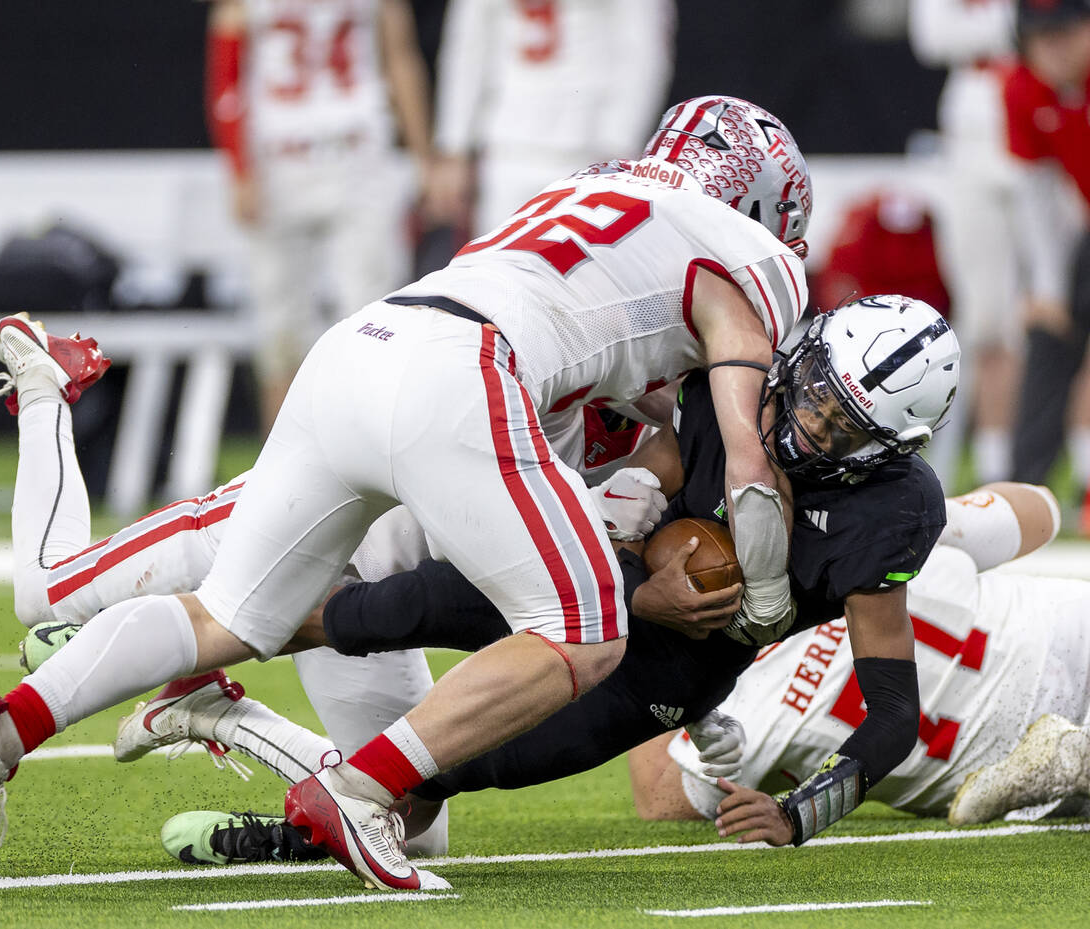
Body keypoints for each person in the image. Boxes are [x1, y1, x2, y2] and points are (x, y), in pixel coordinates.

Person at [0, 95, 812, 887]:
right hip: (448, 393)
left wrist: (632, 511)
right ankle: (344, 790)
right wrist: (761, 603)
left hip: (367, 359)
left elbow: (595, 435)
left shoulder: (588, 209)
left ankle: (1, 731)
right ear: (761, 210)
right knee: (584, 629)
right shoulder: (749, 265)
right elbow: (738, 455)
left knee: (246, 632)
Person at [122, 295, 959, 863]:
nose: (810, 427)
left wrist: (799, 812)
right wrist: (637, 578)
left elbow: (892, 706)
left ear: (887, 449)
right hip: (605, 574)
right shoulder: (734, 376)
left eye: (842, 428)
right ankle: (150, 637)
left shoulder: (891, 512)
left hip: (674, 669)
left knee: (440, 769)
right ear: (800, 356)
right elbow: (645, 477)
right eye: (814, 396)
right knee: (390, 606)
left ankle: (280, 808)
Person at [628, 481, 1090, 827]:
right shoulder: (867, 535)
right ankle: (1070, 761)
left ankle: (1068, 763)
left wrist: (653, 646)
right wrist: (932, 521)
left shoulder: (745, 710)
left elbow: (661, 797)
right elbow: (1039, 512)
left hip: (988, 758)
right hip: (1064, 632)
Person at [206, 0, 435, 430]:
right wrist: (238, 169)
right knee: (282, 332)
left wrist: (424, 155)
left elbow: (399, 55)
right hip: (279, 159)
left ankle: (374, 468)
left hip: (358, 152)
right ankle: (280, 471)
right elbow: (227, 66)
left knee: (378, 320)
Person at [428, 0, 676, 238]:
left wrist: (619, 143)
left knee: (582, 273)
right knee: (498, 271)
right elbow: (468, 47)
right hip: (508, 145)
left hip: (587, 150)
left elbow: (642, 48)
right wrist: (454, 147)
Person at [909, 0, 1022, 486]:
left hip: (1054, 108)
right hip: (977, 129)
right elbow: (934, 35)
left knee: (1062, 306)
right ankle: (989, 471)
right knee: (985, 318)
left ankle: (1070, 468)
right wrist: (1031, 23)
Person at [1005, 0, 1090, 525]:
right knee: (1048, 332)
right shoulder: (1022, 88)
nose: (1052, 48)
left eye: (1064, 32)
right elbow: (1036, 194)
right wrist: (1049, 288)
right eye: (1041, 36)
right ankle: (1024, 498)